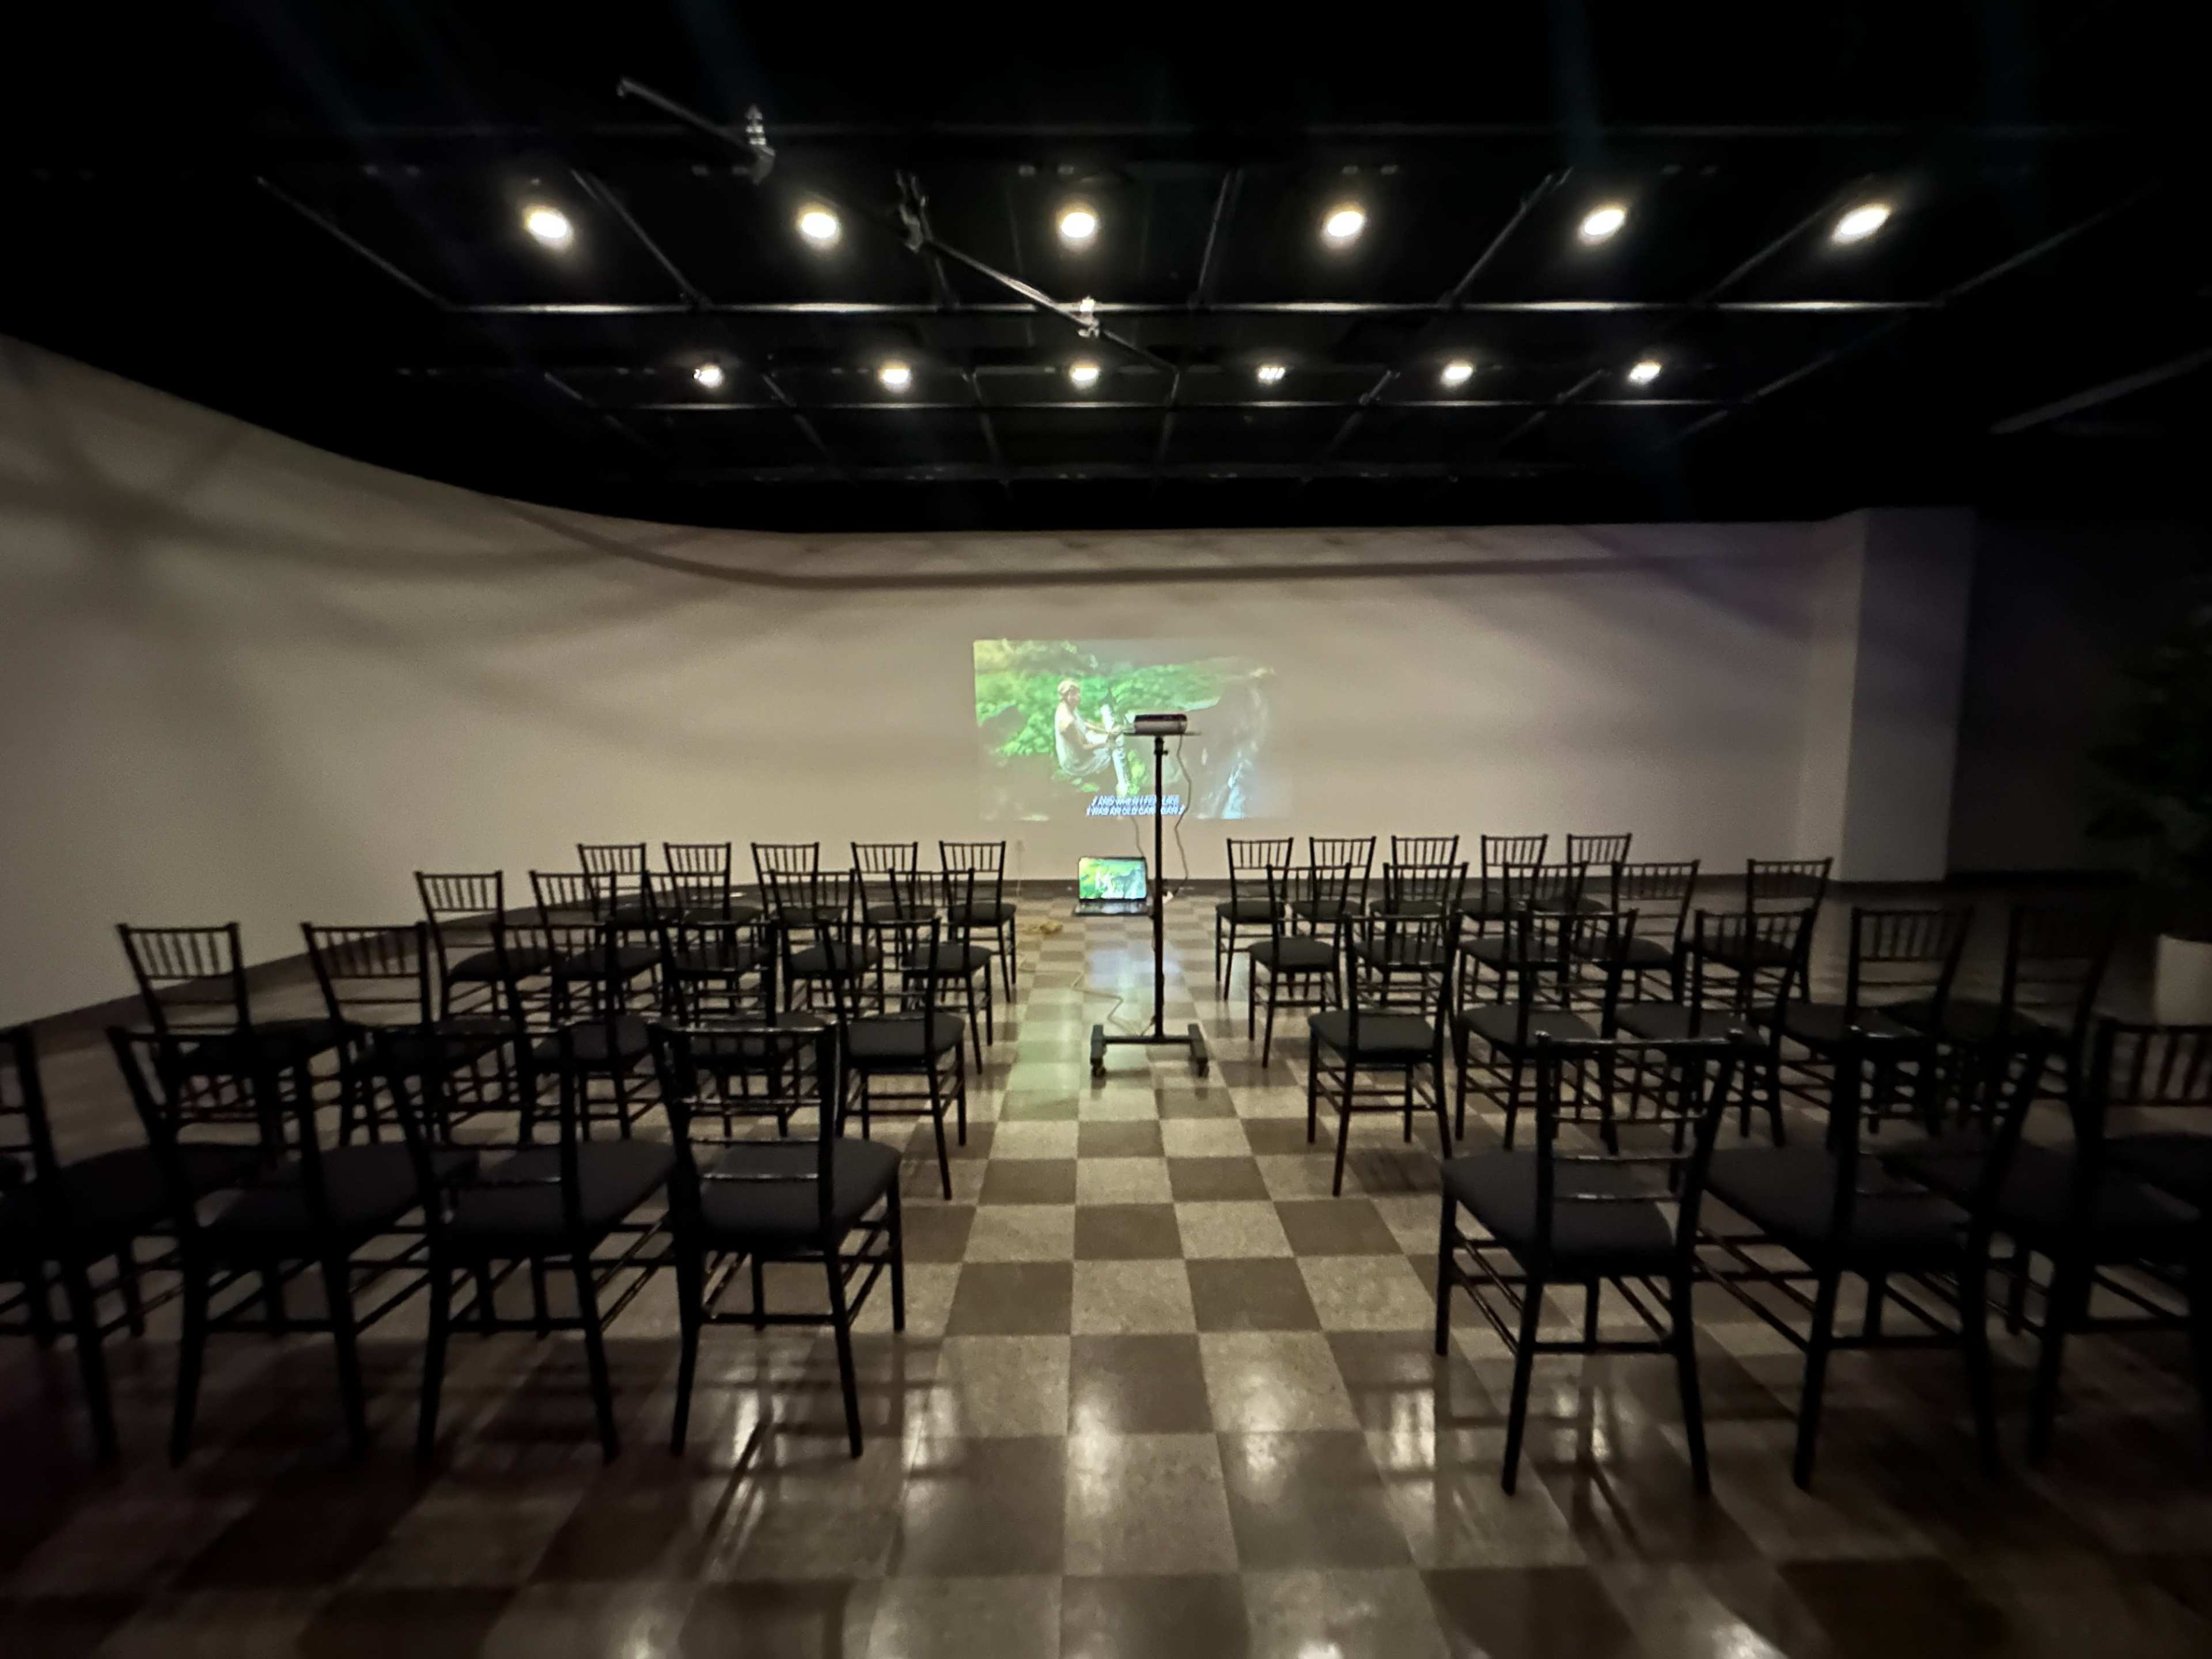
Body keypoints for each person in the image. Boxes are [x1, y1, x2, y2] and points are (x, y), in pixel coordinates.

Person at [1052, 677, 1132, 796]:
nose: (1079, 696)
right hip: (1077, 762)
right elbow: (1082, 750)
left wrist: (1107, 732)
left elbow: (1084, 722)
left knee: (1112, 739)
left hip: (1082, 743)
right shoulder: (1067, 723)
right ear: (1065, 696)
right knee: (1112, 751)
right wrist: (1106, 743)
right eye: (1074, 693)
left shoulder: (1067, 706)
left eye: (1078, 692)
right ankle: (1114, 787)